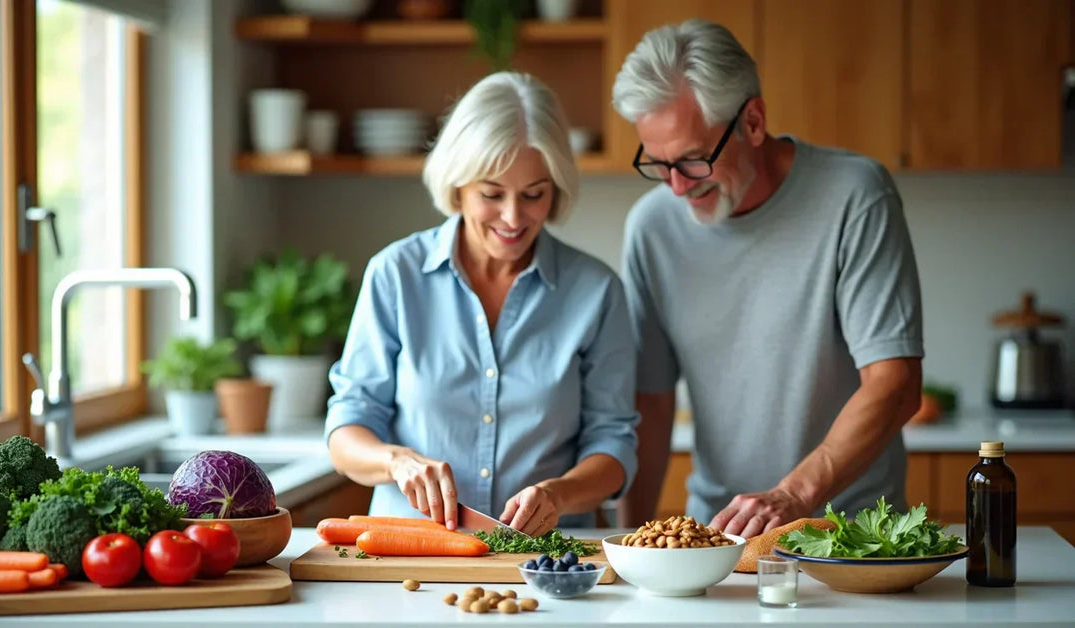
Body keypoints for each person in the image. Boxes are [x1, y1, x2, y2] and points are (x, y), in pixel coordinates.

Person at [611, 19, 924, 537]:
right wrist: (633, 547)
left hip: (853, 536)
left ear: (753, 122)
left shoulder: (855, 196)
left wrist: (795, 494)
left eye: (692, 160)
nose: (675, 187)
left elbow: (896, 384)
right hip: (720, 537)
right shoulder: (652, 228)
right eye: (658, 163)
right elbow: (651, 402)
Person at [325, 71, 639, 536]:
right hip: (411, 551)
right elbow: (348, 425)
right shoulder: (396, 274)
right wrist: (397, 461)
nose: (513, 217)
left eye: (533, 194)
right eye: (492, 194)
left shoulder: (596, 291)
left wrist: (560, 493)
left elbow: (614, 445)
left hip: (547, 557)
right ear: (457, 187)